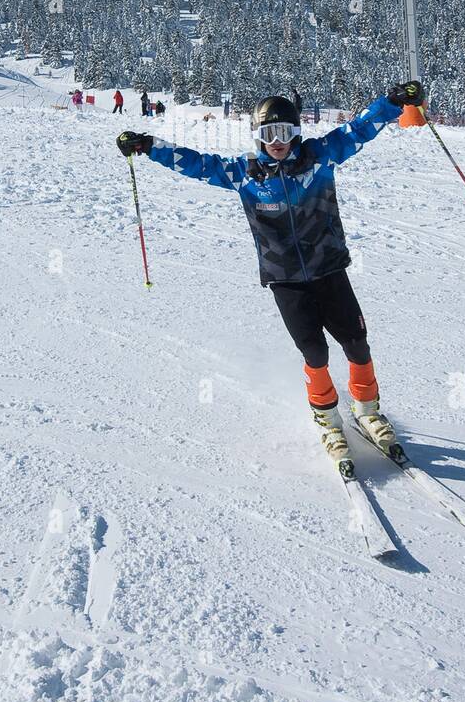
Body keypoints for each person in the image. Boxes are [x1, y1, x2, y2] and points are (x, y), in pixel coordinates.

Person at [117, 82, 425, 470]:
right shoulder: (244, 174)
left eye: (285, 133)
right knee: (315, 352)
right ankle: (328, 420)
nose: (277, 142)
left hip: (329, 270)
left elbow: (359, 128)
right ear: (258, 137)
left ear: (297, 134)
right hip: (285, 279)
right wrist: (147, 146)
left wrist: (394, 102)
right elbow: (194, 162)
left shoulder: (320, 156)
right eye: (268, 134)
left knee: (357, 343)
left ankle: (368, 411)